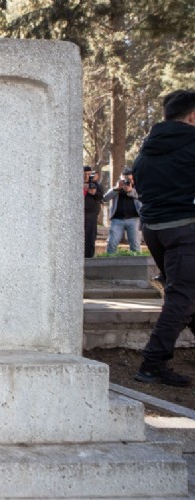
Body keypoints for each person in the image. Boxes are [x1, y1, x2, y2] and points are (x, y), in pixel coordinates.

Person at [132, 89, 195, 387]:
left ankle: (155, 361)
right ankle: (152, 364)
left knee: (188, 296)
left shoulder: (148, 148)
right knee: (181, 299)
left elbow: (141, 186)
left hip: (154, 229)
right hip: (185, 230)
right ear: (192, 116)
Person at [103, 170, 142, 254]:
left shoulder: (137, 188)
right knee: (111, 243)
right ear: (121, 179)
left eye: (130, 179)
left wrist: (130, 191)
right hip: (117, 219)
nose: (128, 182)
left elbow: (141, 197)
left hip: (134, 219)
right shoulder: (117, 188)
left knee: (135, 245)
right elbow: (105, 198)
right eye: (126, 179)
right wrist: (116, 189)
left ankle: (136, 264)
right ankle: (109, 263)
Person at [83, 166, 103, 258]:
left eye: (88, 174)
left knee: (90, 238)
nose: (86, 176)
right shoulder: (75, 183)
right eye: (85, 174)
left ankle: (89, 258)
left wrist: (93, 192)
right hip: (79, 215)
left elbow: (101, 197)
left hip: (91, 215)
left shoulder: (95, 185)